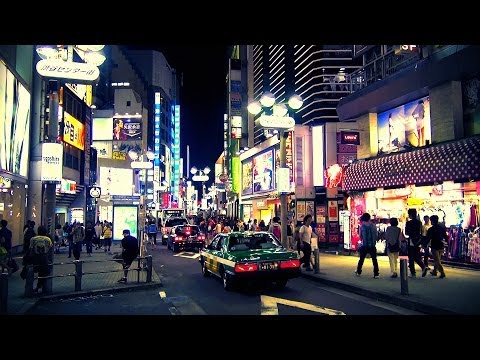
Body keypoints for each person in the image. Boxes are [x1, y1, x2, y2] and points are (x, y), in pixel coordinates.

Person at [27, 226, 53, 293]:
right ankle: (41, 286)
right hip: (44, 258)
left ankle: (30, 288)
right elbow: (50, 249)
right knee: (44, 272)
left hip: (35, 258)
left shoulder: (33, 239)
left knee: (31, 272)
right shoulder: (47, 239)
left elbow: (31, 249)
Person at [355, 213, 380, 278]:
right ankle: (376, 273)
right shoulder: (373, 226)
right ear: (369, 218)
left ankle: (358, 271)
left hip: (365, 245)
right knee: (374, 259)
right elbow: (376, 235)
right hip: (372, 245)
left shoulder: (362, 226)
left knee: (361, 259)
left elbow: (360, 236)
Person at [405, 208, 428, 278]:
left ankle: (413, 272)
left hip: (411, 241)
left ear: (410, 215)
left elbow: (407, 232)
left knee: (411, 257)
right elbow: (422, 232)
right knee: (416, 256)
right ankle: (423, 266)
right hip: (418, 242)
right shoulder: (419, 222)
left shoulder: (409, 223)